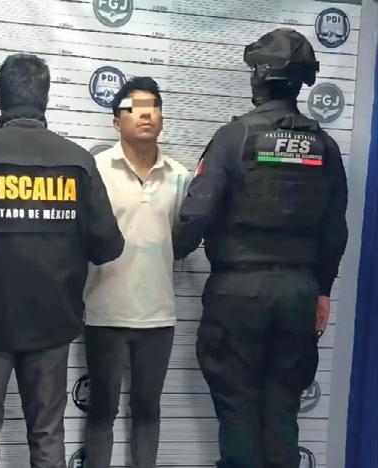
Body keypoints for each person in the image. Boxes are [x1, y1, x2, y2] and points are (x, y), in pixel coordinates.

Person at [0, 53, 125, 468]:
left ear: (0, 99)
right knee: (47, 436)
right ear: (45, 99)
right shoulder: (78, 161)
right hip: (53, 322)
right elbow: (108, 246)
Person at [172, 28, 348, 468]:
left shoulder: (233, 138)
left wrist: (169, 252)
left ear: (259, 78)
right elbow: (335, 229)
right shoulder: (325, 148)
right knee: (282, 413)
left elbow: (196, 214)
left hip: (237, 295)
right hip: (299, 296)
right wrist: (322, 289)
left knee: (238, 411)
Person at [83, 77, 191, 468]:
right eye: (134, 108)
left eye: (153, 107)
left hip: (158, 316)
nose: (145, 114)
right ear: (116, 121)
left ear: (162, 118)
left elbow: (181, 239)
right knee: (101, 410)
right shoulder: (95, 171)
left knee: (148, 410)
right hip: (104, 311)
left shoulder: (179, 176)